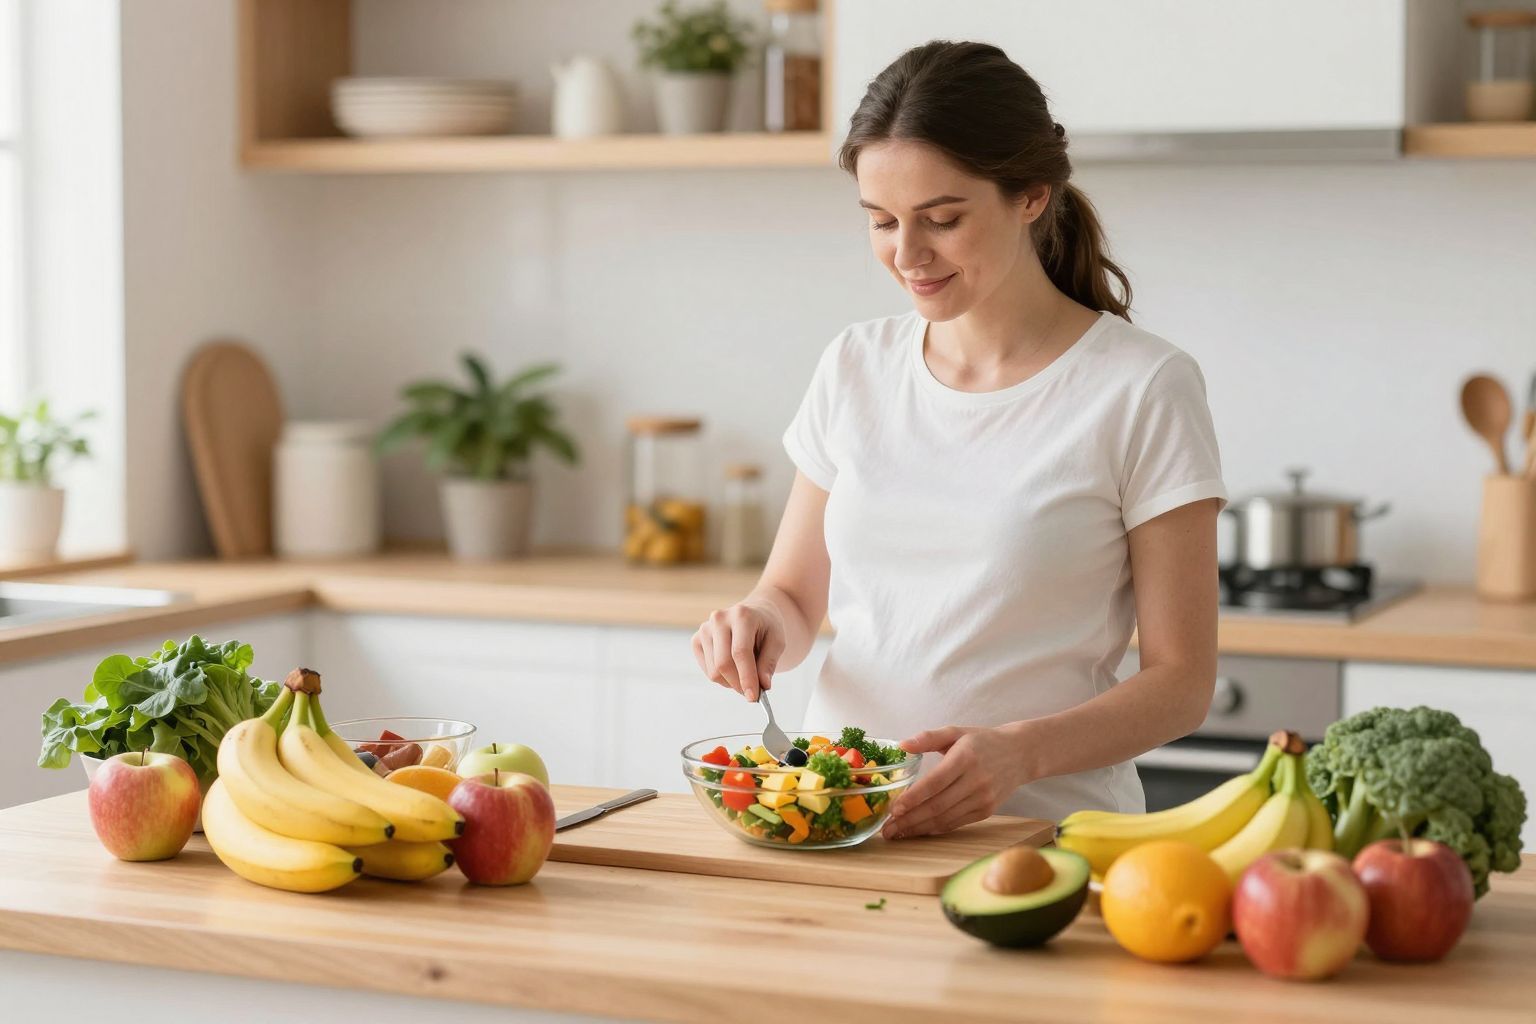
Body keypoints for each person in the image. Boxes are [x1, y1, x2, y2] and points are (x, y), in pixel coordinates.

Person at [691, 41, 1227, 838]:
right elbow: (796, 597)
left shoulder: (1141, 387)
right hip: (843, 826)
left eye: (941, 220)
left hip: (1041, 842)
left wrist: (1021, 752)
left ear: (1031, 197)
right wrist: (758, 623)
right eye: (881, 221)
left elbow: (1182, 682)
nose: (907, 255)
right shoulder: (854, 365)